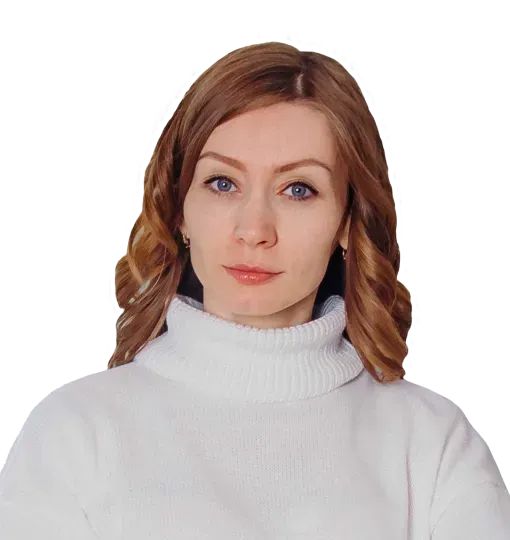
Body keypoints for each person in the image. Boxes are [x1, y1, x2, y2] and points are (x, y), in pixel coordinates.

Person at [1, 39, 508, 539]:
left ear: (347, 220)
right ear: (179, 209)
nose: (254, 230)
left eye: (298, 189)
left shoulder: (433, 444)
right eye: (223, 183)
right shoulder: (73, 435)